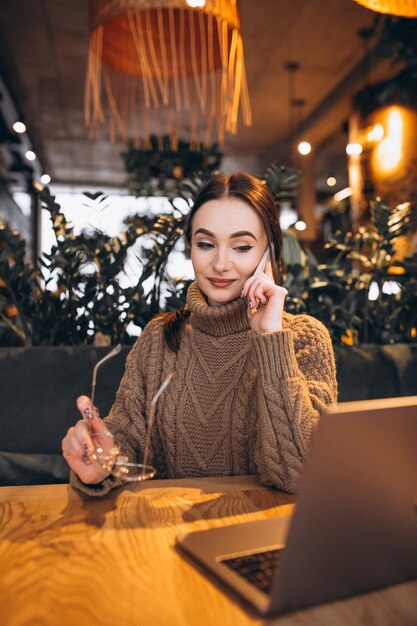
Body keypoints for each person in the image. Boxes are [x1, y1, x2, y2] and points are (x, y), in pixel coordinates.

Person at [62, 173, 337, 497]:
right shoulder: (158, 338)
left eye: (242, 246)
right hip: (168, 537)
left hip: (267, 539)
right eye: (205, 244)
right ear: (190, 248)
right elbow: (125, 441)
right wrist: (100, 464)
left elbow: (304, 476)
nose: (221, 263)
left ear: (269, 255)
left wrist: (270, 338)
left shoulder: (304, 338)